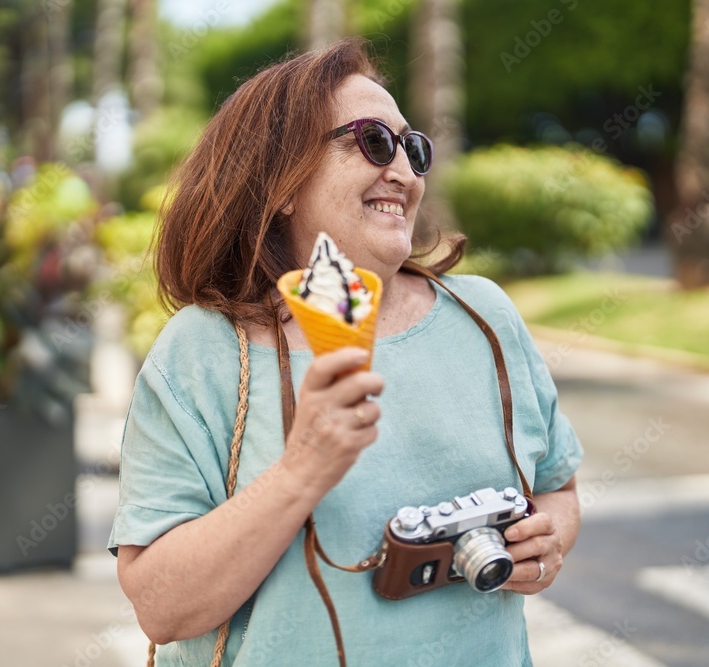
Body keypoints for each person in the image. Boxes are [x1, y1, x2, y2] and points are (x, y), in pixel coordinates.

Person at [110, 38, 583, 666]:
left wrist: (546, 543)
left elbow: (558, 486)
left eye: (413, 149)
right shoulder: (204, 351)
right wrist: (301, 470)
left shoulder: (485, 315)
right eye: (372, 142)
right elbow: (163, 609)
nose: (405, 172)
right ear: (279, 182)